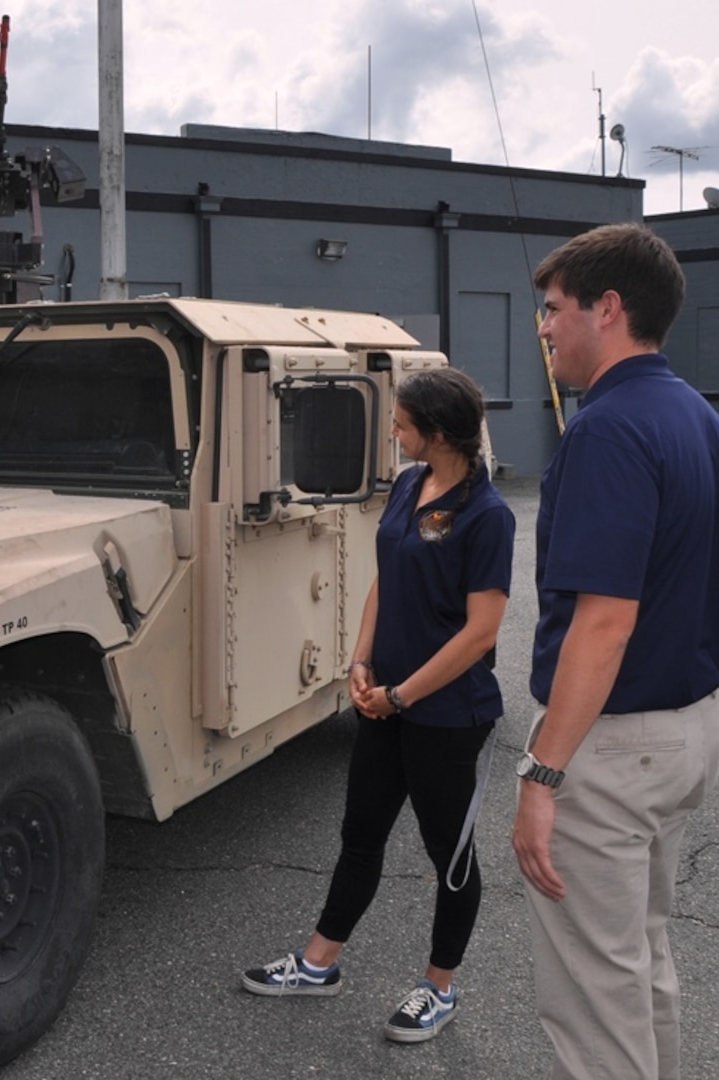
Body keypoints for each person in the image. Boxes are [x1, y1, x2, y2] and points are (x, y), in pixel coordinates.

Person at [514, 223, 719, 1079]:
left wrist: (541, 776)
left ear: (606, 309)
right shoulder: (703, 421)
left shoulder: (606, 431)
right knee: (639, 963)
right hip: (690, 732)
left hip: (614, 747)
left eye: (552, 309)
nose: (542, 327)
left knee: (592, 1004)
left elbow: (602, 623)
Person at [242, 367, 515, 1044]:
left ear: (439, 432)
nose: (391, 433)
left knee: (447, 854)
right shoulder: (406, 487)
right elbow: (383, 582)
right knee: (359, 835)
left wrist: (401, 694)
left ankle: (438, 987)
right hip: (383, 698)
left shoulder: (487, 516)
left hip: (447, 714)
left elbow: (480, 632)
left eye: (400, 423)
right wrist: (359, 663)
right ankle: (316, 964)